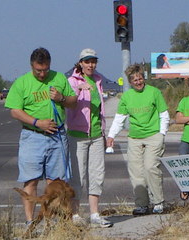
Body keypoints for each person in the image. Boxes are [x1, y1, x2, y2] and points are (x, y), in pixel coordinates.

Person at [5, 47, 77, 227]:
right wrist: (37, 122)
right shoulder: (22, 83)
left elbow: (73, 102)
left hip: (57, 136)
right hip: (33, 136)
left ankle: (50, 222)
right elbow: (15, 111)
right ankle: (30, 222)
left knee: (56, 182)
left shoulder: (59, 78)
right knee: (31, 180)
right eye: (38, 70)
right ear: (32, 66)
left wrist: (61, 98)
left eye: (45, 69)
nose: (43, 74)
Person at [107, 64, 170, 215]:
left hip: (153, 135)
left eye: (140, 78)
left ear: (144, 78)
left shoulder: (154, 92)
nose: (138, 82)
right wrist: (111, 136)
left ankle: (158, 202)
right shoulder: (127, 97)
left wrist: (162, 134)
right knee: (136, 171)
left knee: (150, 167)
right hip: (135, 138)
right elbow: (119, 119)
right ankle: (142, 204)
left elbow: (164, 115)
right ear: (129, 81)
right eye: (134, 80)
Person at [66, 48, 113, 228]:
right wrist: (78, 89)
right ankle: (75, 213)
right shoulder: (71, 81)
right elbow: (68, 104)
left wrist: (105, 132)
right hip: (77, 135)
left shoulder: (98, 79)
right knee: (78, 176)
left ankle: (94, 213)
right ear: (80, 63)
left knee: (97, 174)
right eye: (87, 61)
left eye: (93, 61)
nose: (90, 65)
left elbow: (100, 108)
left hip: (95, 134)